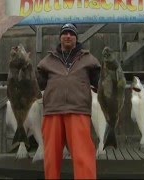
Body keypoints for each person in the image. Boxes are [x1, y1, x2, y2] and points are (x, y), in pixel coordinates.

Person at [36, 23, 101, 179]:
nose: (68, 36)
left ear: (76, 38)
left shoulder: (89, 59)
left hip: (78, 111)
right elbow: (37, 85)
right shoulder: (47, 61)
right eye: (65, 33)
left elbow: (101, 84)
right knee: (51, 157)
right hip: (52, 111)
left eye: (71, 33)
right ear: (60, 37)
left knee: (83, 155)